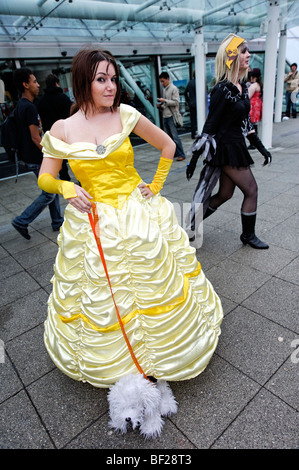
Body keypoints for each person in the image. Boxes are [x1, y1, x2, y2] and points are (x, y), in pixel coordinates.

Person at [37, 48, 223, 389]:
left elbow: (168, 146)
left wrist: (154, 185)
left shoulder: (126, 114)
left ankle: (164, 354)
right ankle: (117, 362)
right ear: (83, 82)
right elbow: (44, 177)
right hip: (93, 219)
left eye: (113, 79)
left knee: (153, 281)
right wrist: (66, 188)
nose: (111, 87)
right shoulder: (62, 128)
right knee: (100, 296)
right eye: (101, 79)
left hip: (137, 213)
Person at [186, 34, 272, 250]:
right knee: (251, 189)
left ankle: (191, 227)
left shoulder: (241, 87)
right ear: (231, 57)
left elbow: (247, 125)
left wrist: (262, 149)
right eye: (243, 51)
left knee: (225, 194)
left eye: (247, 51)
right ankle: (248, 235)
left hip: (236, 147)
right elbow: (209, 126)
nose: (248, 55)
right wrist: (194, 160)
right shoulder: (222, 89)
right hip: (225, 150)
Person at [11, 67, 64, 240]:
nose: (37, 85)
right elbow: (35, 137)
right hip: (37, 157)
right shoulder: (29, 108)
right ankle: (22, 220)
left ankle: (57, 220)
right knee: (49, 193)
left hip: (30, 156)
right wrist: (52, 155)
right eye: (34, 82)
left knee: (52, 188)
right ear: (25, 85)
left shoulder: (21, 105)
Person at [37, 73, 72, 180]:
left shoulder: (40, 101)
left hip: (52, 136)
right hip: (67, 134)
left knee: (59, 160)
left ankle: (65, 180)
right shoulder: (64, 98)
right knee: (74, 158)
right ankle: (81, 180)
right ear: (57, 83)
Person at [157, 71, 186, 161]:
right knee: (169, 137)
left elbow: (176, 102)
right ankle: (174, 153)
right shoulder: (165, 89)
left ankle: (181, 154)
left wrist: (164, 101)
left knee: (175, 136)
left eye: (163, 81)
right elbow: (167, 103)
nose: (162, 83)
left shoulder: (174, 88)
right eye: (161, 82)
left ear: (168, 79)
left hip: (171, 116)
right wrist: (161, 106)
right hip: (165, 115)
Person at [247, 67, 263, 149]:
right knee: (254, 124)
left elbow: (248, 96)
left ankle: (253, 143)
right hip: (257, 105)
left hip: (252, 106)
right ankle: (255, 143)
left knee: (251, 125)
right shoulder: (260, 85)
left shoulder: (254, 86)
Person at [184, 70, 197, 139]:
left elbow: (185, 92)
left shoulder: (190, 82)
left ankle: (193, 134)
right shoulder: (200, 82)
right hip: (199, 103)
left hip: (192, 103)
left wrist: (188, 100)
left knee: (193, 119)